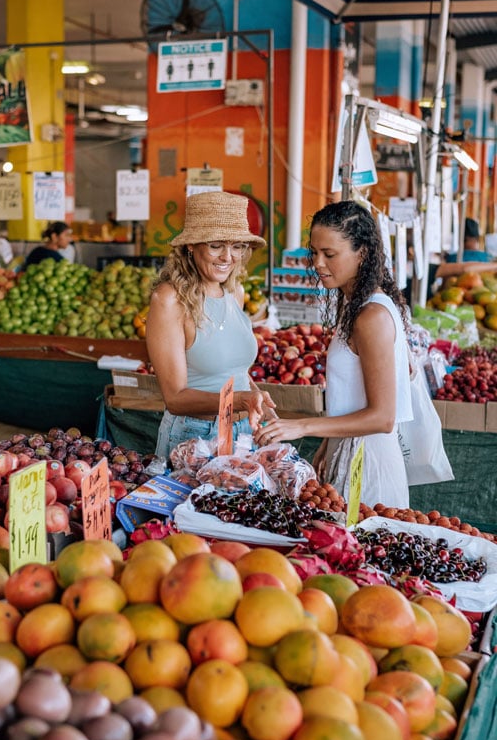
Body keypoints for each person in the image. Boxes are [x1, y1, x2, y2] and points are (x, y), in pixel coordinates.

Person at [254, 200, 413, 509]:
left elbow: (383, 417)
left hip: (369, 465)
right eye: (314, 252)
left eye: (329, 254)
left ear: (362, 253)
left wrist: (302, 426)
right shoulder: (355, 304)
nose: (318, 263)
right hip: (352, 450)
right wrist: (330, 439)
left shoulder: (371, 316)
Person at [146, 190, 277, 459]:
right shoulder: (169, 300)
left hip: (242, 432)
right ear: (191, 246)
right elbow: (175, 398)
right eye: (216, 245)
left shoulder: (235, 293)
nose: (227, 257)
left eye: (237, 246)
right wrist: (240, 399)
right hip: (192, 436)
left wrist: (262, 405)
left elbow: (234, 370)